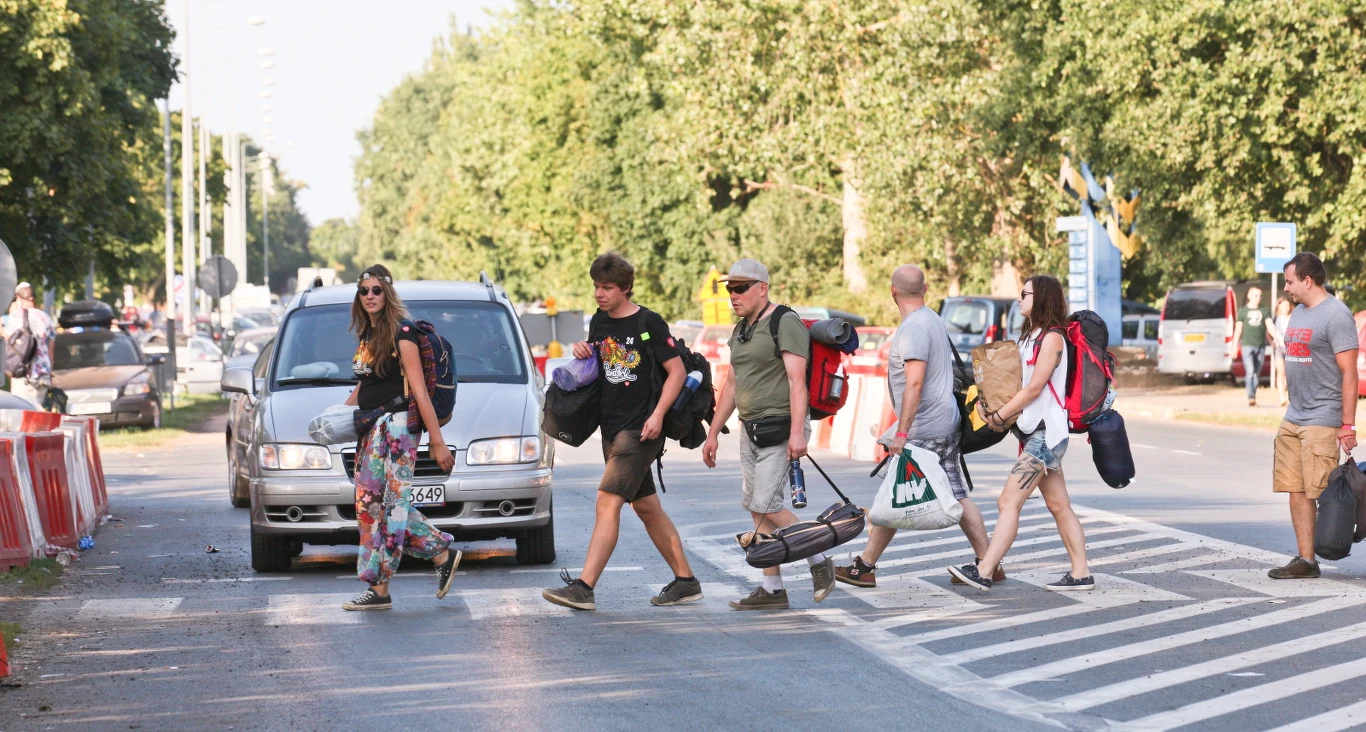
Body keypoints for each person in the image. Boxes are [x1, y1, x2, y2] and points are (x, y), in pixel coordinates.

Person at [542, 252, 701, 610]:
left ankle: (584, 587)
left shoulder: (649, 322)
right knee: (646, 507)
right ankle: (687, 581)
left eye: (608, 287)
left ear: (625, 288)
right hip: (611, 427)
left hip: (641, 428)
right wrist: (583, 350)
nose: (600, 293)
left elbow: (676, 372)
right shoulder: (600, 322)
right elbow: (598, 364)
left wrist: (658, 415)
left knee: (606, 502)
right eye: (597, 286)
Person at [834, 265, 998, 588]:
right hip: (945, 420)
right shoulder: (933, 318)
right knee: (958, 494)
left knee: (892, 495)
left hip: (924, 428)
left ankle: (865, 566)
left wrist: (902, 433)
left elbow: (915, 382)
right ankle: (988, 561)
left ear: (892, 291)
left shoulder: (912, 329)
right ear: (925, 290)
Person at [701, 258, 835, 610]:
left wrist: (797, 434)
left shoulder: (784, 323)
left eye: (741, 287)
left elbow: (796, 382)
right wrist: (713, 432)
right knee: (755, 508)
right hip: (750, 428)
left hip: (781, 425)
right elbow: (732, 383)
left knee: (766, 506)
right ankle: (772, 588)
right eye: (730, 288)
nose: (733, 294)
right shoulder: (741, 329)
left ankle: (820, 561)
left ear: (763, 288)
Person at [948, 275, 1093, 592]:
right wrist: (991, 408)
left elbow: (1034, 388)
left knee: (1007, 501)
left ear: (1040, 298)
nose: (1019, 299)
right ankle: (1081, 572)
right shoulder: (1031, 337)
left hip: (1046, 435)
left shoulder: (1053, 338)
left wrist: (1000, 415)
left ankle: (985, 570)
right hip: (1032, 433)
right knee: (1059, 506)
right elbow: (1014, 385)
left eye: (1024, 294)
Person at [340, 265, 461, 611]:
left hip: (397, 430)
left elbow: (419, 391)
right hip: (371, 429)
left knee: (388, 507)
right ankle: (440, 555)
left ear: (388, 293)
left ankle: (381, 587)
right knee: (370, 506)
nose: (369, 296)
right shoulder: (369, 333)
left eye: (376, 290)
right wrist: (335, 417)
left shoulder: (401, 332)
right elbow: (366, 385)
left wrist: (436, 442)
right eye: (364, 291)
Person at [1269, 252, 1359, 579]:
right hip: (1294, 415)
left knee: (1324, 490)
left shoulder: (1336, 316)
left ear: (1308, 280)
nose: (1287, 289)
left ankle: (1333, 545)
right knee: (1296, 487)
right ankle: (1306, 561)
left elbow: (1349, 374)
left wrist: (1347, 424)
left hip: (1324, 415)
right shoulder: (1299, 312)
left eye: (1291, 282)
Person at [2, 283, 56, 408]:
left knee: (23, 413)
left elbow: (5, 342)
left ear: (19, 299)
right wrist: (49, 373)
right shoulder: (46, 318)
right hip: (43, 374)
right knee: (39, 411)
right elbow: (51, 350)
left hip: (23, 373)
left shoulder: (15, 317)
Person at [1232, 286, 1274, 406]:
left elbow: (1269, 327)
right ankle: (1250, 396)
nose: (1258, 298)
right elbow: (1238, 329)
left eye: (1260, 295)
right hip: (1247, 345)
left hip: (1260, 345)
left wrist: (1277, 339)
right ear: (1249, 296)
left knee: (1256, 372)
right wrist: (1234, 346)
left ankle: (1253, 394)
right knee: (1250, 371)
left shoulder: (1264, 310)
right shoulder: (1243, 311)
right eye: (1256, 295)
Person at [1272, 296, 1294, 407]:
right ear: (1279, 307)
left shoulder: (1294, 317)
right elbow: (1269, 331)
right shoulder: (1276, 318)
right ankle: (1282, 396)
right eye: (1283, 305)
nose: (1286, 307)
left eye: (1287, 305)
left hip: (1291, 347)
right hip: (1279, 347)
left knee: (1289, 373)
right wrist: (1271, 341)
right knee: (1280, 371)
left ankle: (1287, 393)